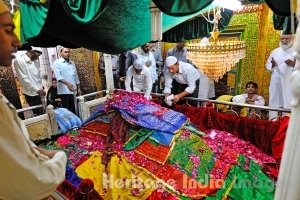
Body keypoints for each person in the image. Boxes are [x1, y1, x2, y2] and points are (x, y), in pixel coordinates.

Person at [0, 1, 67, 199]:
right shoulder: (20, 61)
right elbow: (35, 182)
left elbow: (38, 75)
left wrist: (32, 150)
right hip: (31, 90)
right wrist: (60, 157)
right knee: (39, 112)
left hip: (38, 89)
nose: (17, 41)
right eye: (7, 30)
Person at [266, 32, 295, 120]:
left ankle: (286, 125)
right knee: (274, 100)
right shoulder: (275, 51)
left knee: (288, 102)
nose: (284, 40)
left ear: (291, 39)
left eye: (286, 39)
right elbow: (267, 65)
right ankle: (273, 122)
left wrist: (294, 64)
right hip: (276, 81)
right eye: (282, 39)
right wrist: (272, 65)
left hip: (289, 82)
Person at [14, 46, 45, 116]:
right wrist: (37, 90)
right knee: (38, 114)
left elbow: (37, 76)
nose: (38, 58)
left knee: (43, 111)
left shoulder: (36, 61)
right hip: (31, 93)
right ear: (31, 51)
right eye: (37, 55)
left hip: (39, 91)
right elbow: (23, 79)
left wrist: (41, 87)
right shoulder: (19, 61)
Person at [53, 47, 81, 114]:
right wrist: (67, 84)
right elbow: (58, 77)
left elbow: (76, 76)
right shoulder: (57, 63)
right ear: (60, 53)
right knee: (67, 110)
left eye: (68, 52)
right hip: (64, 91)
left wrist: (79, 88)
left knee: (75, 108)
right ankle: (70, 124)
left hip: (73, 90)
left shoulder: (72, 63)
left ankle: (76, 123)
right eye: (65, 52)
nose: (67, 53)